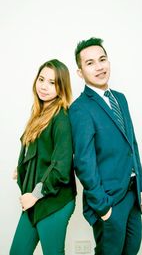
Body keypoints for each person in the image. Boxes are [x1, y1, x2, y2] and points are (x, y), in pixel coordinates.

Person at [69, 37, 142, 255]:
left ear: (109, 62)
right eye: (90, 63)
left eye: (102, 60)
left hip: (133, 194)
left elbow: (131, 142)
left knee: (132, 249)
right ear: (80, 72)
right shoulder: (80, 109)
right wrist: (103, 207)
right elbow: (84, 162)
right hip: (109, 200)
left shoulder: (120, 99)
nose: (99, 67)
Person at [10, 59, 76, 255]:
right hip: (34, 198)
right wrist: (22, 167)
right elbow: (38, 149)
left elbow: (61, 166)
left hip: (53, 199)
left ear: (61, 87)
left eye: (52, 82)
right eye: (41, 79)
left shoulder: (61, 117)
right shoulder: (39, 111)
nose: (44, 87)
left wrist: (35, 195)